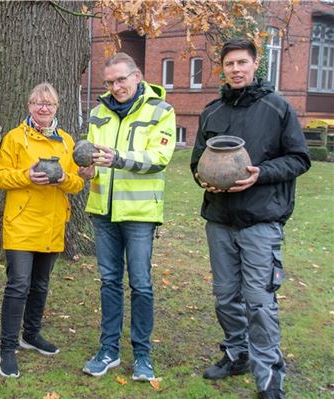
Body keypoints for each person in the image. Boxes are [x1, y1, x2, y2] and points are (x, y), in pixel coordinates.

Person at [190, 38, 310, 399]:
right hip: (220, 219)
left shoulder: (278, 108)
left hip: (261, 220)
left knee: (259, 300)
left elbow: (299, 158)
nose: (236, 69)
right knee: (226, 296)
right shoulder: (211, 112)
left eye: (242, 62)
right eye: (229, 64)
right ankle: (237, 353)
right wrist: (201, 176)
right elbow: (196, 162)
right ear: (222, 69)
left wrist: (262, 173)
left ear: (255, 64)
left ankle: (270, 375)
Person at [79, 53, 176, 381]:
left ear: (137, 77)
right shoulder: (97, 112)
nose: (116, 87)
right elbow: (92, 156)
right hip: (103, 211)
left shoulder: (161, 110)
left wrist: (118, 158)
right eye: (109, 82)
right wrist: (86, 167)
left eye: (121, 79)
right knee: (108, 281)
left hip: (139, 213)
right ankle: (109, 350)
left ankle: (143, 355)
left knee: (141, 284)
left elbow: (160, 157)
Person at [0, 83, 84, 378]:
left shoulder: (67, 142)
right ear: (29, 106)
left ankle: (30, 335)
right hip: (20, 224)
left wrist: (63, 179)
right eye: (37, 103)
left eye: (49, 104)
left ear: (57, 108)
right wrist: (27, 176)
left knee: (41, 285)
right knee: (18, 285)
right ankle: (7, 348)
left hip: (53, 223)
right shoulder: (15, 138)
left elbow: (78, 183)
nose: (43, 108)